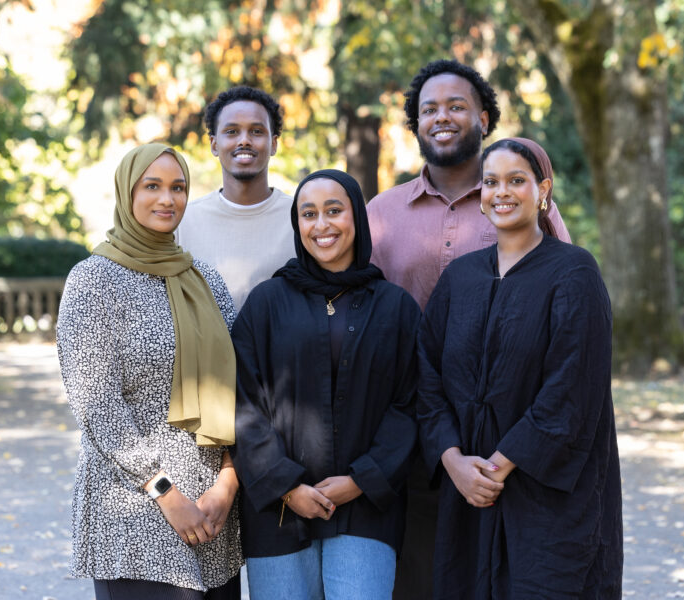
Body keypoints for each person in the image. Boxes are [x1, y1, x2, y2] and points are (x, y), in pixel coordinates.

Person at [366, 59, 572, 599]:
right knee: (423, 575)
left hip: (511, 435)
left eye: (457, 105)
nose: (442, 117)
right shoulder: (381, 215)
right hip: (412, 429)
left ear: (484, 116)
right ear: (414, 125)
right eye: (428, 109)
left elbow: (564, 307)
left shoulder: (517, 200)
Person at [417, 138, 623, 599]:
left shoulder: (574, 273)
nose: (501, 192)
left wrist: (498, 465)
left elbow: (572, 388)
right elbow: (426, 375)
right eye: (491, 182)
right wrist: (453, 461)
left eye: (516, 180)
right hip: (467, 491)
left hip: (547, 497)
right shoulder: (460, 277)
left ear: (542, 190)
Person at [57, 143, 243, 599]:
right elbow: (98, 404)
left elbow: (242, 389)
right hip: (135, 507)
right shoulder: (93, 280)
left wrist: (228, 483)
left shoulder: (206, 280)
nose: (167, 199)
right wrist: (165, 492)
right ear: (127, 192)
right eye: (152, 186)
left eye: (178, 187)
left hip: (214, 510)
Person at [231, 169, 420, 599]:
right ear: (297, 225)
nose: (322, 225)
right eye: (308, 214)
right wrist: (286, 485)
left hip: (367, 508)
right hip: (278, 512)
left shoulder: (396, 308)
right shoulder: (266, 303)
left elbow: (410, 405)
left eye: (334, 211)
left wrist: (362, 480)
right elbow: (242, 401)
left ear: (357, 217)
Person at [175, 85, 294, 310]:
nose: (244, 141)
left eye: (257, 131)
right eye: (232, 131)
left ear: (274, 144)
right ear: (214, 144)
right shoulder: (184, 221)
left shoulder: (300, 219)